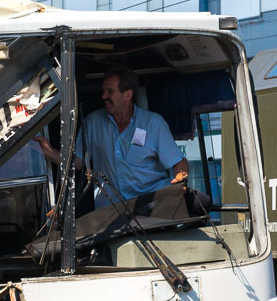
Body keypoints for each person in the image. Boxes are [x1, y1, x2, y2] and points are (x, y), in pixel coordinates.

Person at [37, 67, 187, 202]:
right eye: (103, 91)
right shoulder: (93, 122)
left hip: (152, 202)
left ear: (127, 95)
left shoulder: (154, 123)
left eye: (110, 92)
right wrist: (49, 152)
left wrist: (180, 179)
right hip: (112, 211)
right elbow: (78, 162)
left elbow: (177, 162)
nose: (103, 96)